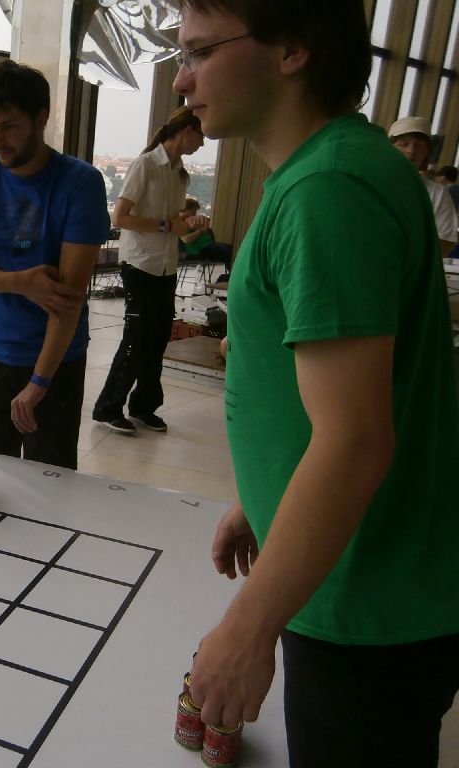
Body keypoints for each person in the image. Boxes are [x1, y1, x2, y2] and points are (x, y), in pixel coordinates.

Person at [173, 2, 459, 766]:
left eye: (199, 51)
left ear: (291, 48)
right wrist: (262, 496)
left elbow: (356, 442)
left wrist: (247, 628)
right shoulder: (341, 165)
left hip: (364, 604)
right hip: (364, 576)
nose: (181, 80)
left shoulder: (326, 190)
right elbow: (358, 394)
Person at [0, 59, 109, 470]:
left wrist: (39, 381)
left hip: (56, 362)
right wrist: (20, 282)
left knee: (50, 485)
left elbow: (67, 301)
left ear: (41, 118)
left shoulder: (80, 183)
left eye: (9, 126)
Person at [91, 106, 208, 434]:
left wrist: (189, 223)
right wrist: (166, 225)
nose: (202, 144)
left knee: (157, 339)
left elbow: (175, 227)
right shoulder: (145, 165)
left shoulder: (179, 173)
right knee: (136, 338)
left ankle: (144, 407)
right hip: (140, 264)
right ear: (187, 131)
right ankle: (108, 407)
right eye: (201, 137)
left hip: (166, 265)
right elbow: (120, 218)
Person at [388, 116, 459, 258]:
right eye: (404, 144)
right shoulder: (371, 185)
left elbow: (445, 242)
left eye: (419, 145)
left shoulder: (437, 193)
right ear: (389, 148)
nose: (411, 151)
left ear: (427, 151)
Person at [179, 197, 232, 278]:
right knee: (226, 252)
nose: (195, 214)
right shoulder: (181, 223)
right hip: (198, 249)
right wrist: (201, 231)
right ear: (186, 210)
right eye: (193, 211)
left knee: (232, 249)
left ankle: (232, 274)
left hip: (208, 245)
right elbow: (186, 239)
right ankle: (232, 275)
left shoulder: (193, 221)